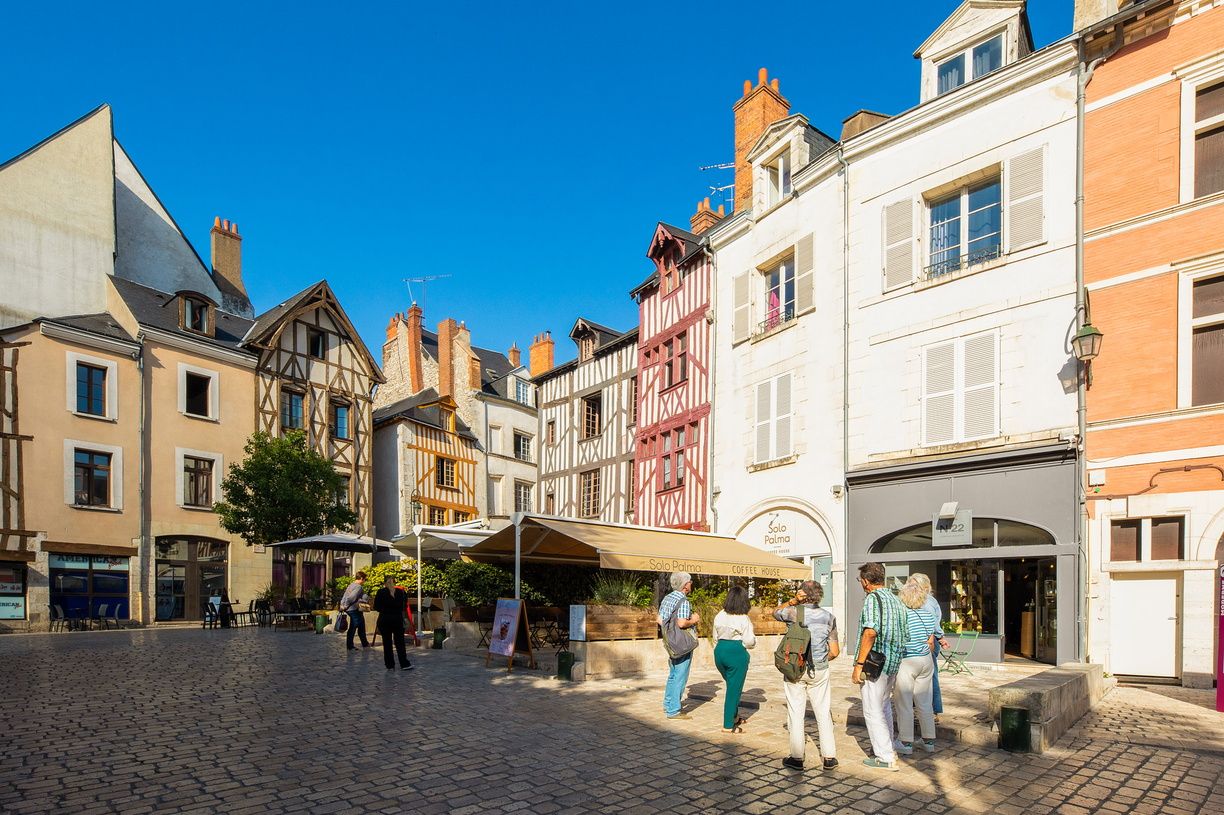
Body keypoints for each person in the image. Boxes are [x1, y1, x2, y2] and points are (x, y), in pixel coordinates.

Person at [774, 580, 839, 771]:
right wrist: (821, 660)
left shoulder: (793, 613)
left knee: (795, 712)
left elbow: (775, 612)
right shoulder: (829, 617)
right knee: (823, 712)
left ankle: (796, 757)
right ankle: (829, 757)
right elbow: (835, 651)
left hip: (795, 668)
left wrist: (793, 601)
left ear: (802, 594)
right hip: (819, 670)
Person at [852, 561, 907, 771]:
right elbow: (905, 633)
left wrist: (859, 664)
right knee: (884, 706)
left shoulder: (872, 599)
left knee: (872, 709)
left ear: (866, 581)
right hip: (893, 662)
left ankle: (885, 756)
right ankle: (888, 746)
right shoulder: (896, 599)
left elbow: (870, 632)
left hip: (875, 663)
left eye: (860, 580)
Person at [893, 579, 939, 755]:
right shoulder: (927, 615)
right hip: (925, 659)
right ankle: (928, 740)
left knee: (904, 702)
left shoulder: (902, 615)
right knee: (925, 701)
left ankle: (905, 742)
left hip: (908, 660)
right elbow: (930, 639)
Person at [713, 585, 756, 734]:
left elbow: (715, 637)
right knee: (733, 689)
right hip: (736, 653)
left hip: (720, 652)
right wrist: (747, 645)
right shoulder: (743, 618)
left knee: (732, 686)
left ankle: (735, 716)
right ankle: (728, 725)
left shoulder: (720, 615)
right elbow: (749, 641)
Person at [658, 571, 700, 719]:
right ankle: (673, 710)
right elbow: (682, 623)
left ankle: (668, 704)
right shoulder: (683, 601)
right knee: (680, 675)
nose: (691, 584)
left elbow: (659, 620)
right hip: (682, 644)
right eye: (690, 581)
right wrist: (694, 620)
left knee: (673, 674)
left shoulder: (667, 598)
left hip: (670, 642)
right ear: (685, 585)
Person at [908, 573, 949, 719]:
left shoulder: (927, 601)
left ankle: (932, 710)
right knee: (921, 676)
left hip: (927, 641)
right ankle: (921, 708)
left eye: (913, 584)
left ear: (923, 586)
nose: (910, 587)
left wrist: (940, 637)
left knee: (930, 676)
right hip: (922, 641)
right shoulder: (921, 600)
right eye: (909, 584)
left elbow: (932, 623)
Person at [374, 575, 412, 671]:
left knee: (387, 643)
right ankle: (404, 663)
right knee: (400, 643)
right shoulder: (401, 592)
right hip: (397, 619)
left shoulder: (380, 592)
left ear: (384, 583)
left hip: (384, 619)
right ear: (394, 582)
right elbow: (404, 606)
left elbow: (376, 607)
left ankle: (390, 664)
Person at [339, 571, 371, 650]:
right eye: (364, 579)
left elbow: (345, 596)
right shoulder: (358, 587)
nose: (364, 581)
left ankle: (365, 643)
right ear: (361, 578)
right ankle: (350, 646)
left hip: (352, 609)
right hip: (353, 609)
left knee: (361, 625)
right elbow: (351, 598)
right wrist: (345, 606)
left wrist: (342, 604)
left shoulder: (351, 585)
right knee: (353, 626)